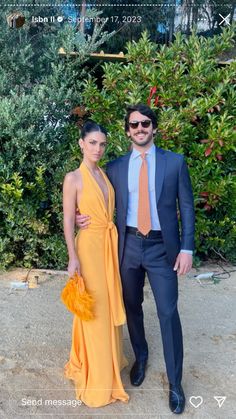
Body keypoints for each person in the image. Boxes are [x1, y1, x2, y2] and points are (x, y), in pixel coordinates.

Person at [76, 104, 195, 414]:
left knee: (168, 312)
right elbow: (93, 193)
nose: (140, 128)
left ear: (153, 127)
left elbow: (187, 208)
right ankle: (140, 356)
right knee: (131, 307)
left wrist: (187, 248)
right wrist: (79, 216)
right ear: (128, 131)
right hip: (127, 245)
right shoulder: (114, 167)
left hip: (161, 248)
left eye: (145, 123)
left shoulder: (175, 163)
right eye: (134, 124)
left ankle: (176, 382)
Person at [63, 120, 129, 407]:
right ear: (81, 143)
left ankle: (111, 362)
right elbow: (68, 221)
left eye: (102, 143)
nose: (98, 148)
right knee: (95, 308)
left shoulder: (105, 174)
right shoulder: (73, 178)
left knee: (109, 302)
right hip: (88, 248)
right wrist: (72, 257)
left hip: (108, 247)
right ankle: (99, 376)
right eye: (92, 142)